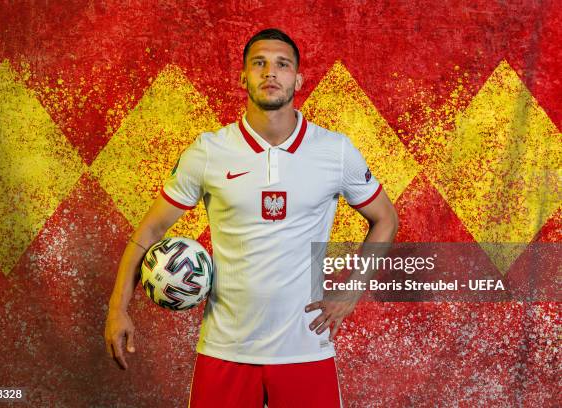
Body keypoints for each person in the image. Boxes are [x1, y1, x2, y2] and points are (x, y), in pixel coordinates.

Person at [105, 28, 398, 407]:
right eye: (259, 64)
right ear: (244, 78)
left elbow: (385, 219)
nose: (270, 73)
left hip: (304, 350)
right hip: (225, 350)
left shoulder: (334, 151)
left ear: (298, 79)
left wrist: (351, 292)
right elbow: (150, 229)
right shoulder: (209, 151)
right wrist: (117, 309)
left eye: (282, 64)